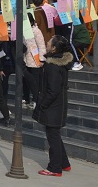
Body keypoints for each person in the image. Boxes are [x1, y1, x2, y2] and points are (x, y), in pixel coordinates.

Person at [33, 35, 73, 177]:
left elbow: (53, 90)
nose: (47, 42)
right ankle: (64, 163)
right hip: (58, 105)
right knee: (55, 135)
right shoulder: (60, 62)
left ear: (54, 48)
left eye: (50, 41)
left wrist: (42, 104)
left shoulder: (53, 65)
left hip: (53, 107)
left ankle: (55, 168)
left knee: (53, 136)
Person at [22, 12, 46, 110]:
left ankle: (36, 100)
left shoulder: (36, 31)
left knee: (35, 81)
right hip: (25, 58)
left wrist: (42, 59)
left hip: (35, 59)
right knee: (25, 80)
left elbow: (41, 45)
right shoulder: (23, 30)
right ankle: (26, 98)